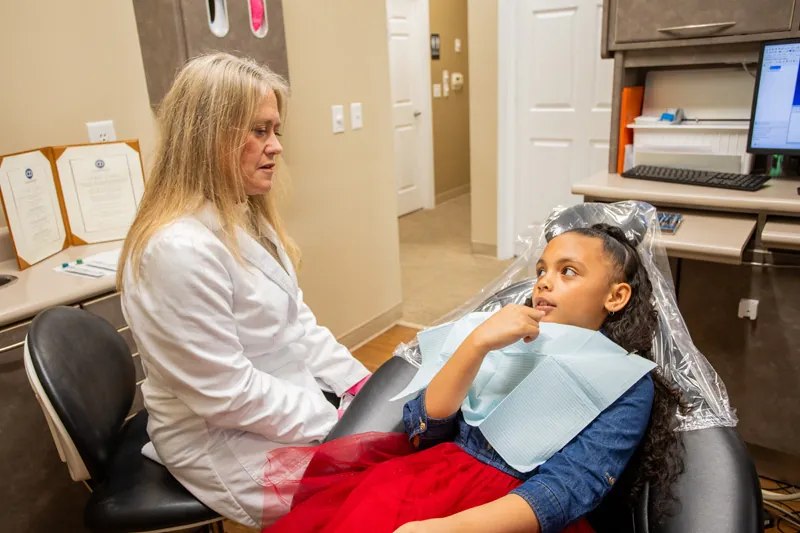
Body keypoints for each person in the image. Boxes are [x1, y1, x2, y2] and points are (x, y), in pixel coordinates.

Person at [266, 224, 684, 533]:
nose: (544, 280)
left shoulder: (625, 382)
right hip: (429, 479)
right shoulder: (499, 336)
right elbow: (424, 430)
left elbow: (570, 488)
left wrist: (442, 529)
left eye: (568, 271)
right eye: (542, 269)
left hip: (513, 514)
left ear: (615, 296)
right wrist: (476, 345)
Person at [117, 53, 370, 529]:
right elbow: (228, 395)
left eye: (276, 131)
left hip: (275, 404)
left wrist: (363, 388)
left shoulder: (243, 214)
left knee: (396, 452)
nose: (275, 147)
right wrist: (339, 425)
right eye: (259, 131)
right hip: (220, 439)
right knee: (374, 491)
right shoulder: (177, 250)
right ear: (207, 135)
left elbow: (298, 325)